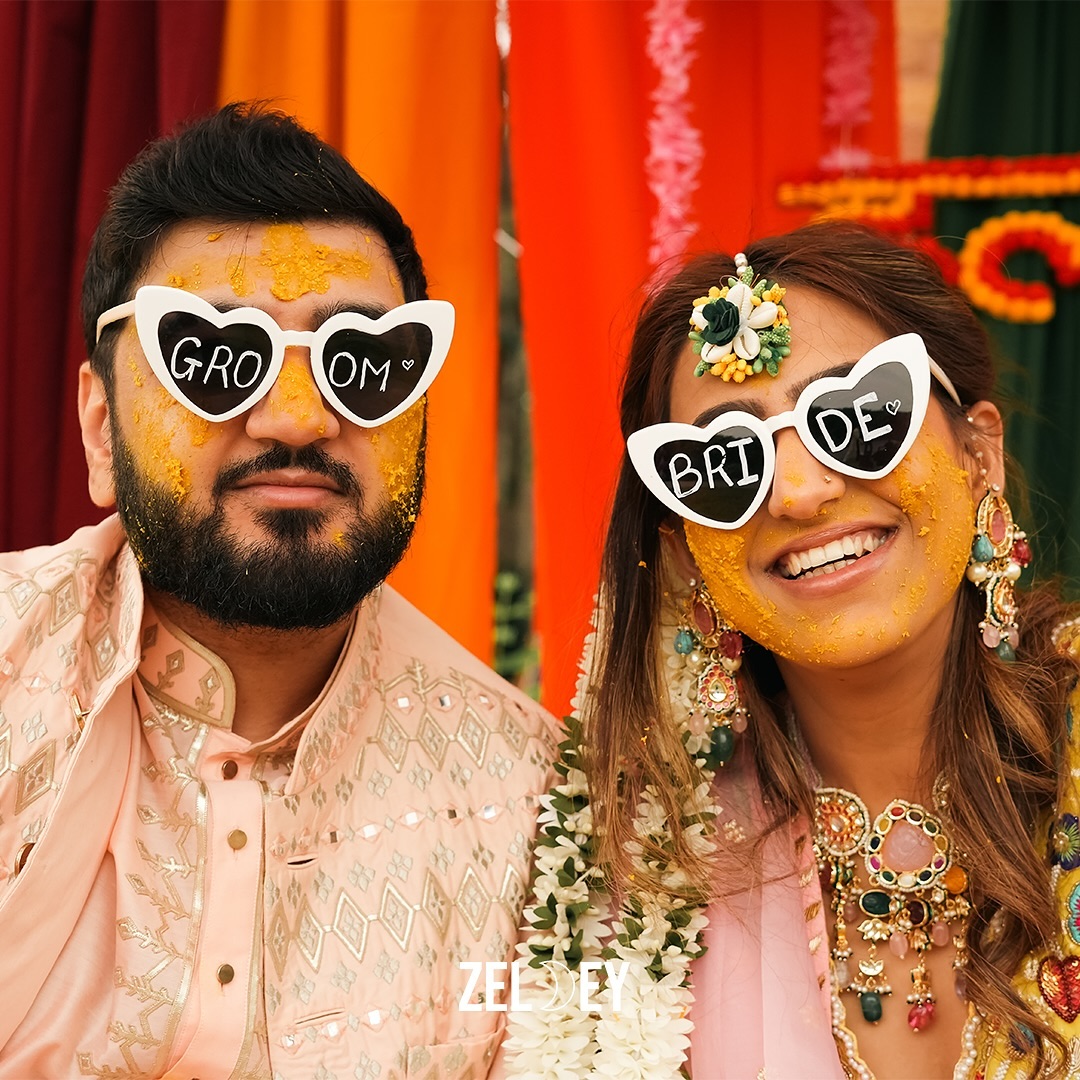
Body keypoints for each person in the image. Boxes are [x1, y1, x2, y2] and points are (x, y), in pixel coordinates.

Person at [0, 103, 556, 1078]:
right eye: (216, 358)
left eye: (363, 365)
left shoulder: (538, 813)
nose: (297, 418)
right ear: (99, 428)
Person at [504, 222, 1080, 1079]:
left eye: (858, 416)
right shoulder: (636, 866)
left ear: (978, 455)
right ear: (682, 546)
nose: (802, 491)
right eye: (722, 461)